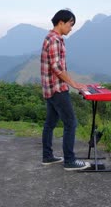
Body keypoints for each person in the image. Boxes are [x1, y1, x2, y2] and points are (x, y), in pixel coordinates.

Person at [40, 9, 90, 171]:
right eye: (70, 24)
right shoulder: (55, 40)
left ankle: (47, 156)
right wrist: (74, 84)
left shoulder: (50, 37)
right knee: (71, 123)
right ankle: (69, 161)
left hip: (49, 89)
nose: (71, 28)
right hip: (57, 89)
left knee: (50, 123)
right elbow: (57, 67)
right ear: (61, 22)